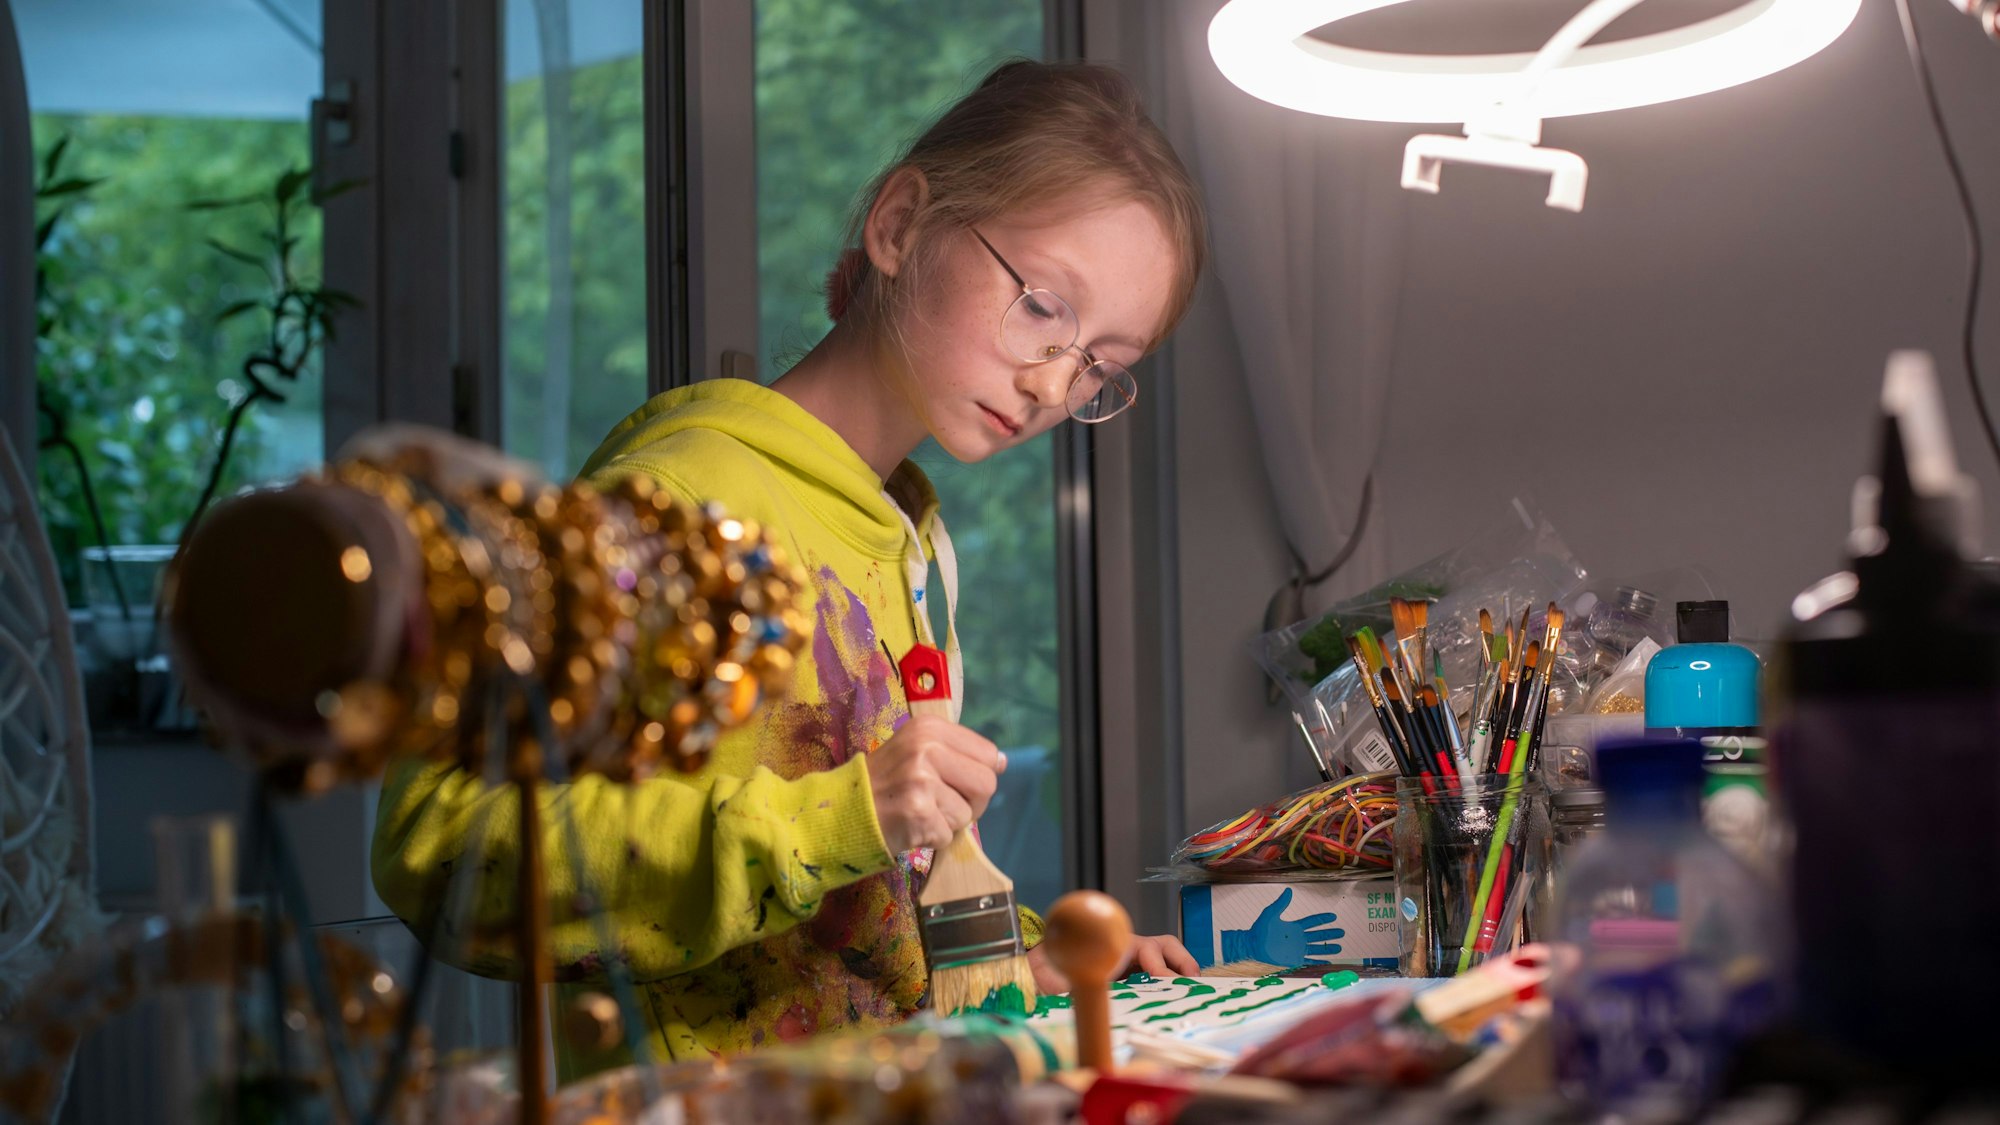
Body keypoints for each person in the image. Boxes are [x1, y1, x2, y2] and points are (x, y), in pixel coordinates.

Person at [371, 57, 1208, 1073]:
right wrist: (838, 814)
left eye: (1099, 365)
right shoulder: (676, 506)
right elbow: (441, 851)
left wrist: (1028, 964)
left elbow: (876, 899)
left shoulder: (910, 537)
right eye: (1041, 306)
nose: (1050, 384)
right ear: (899, 224)